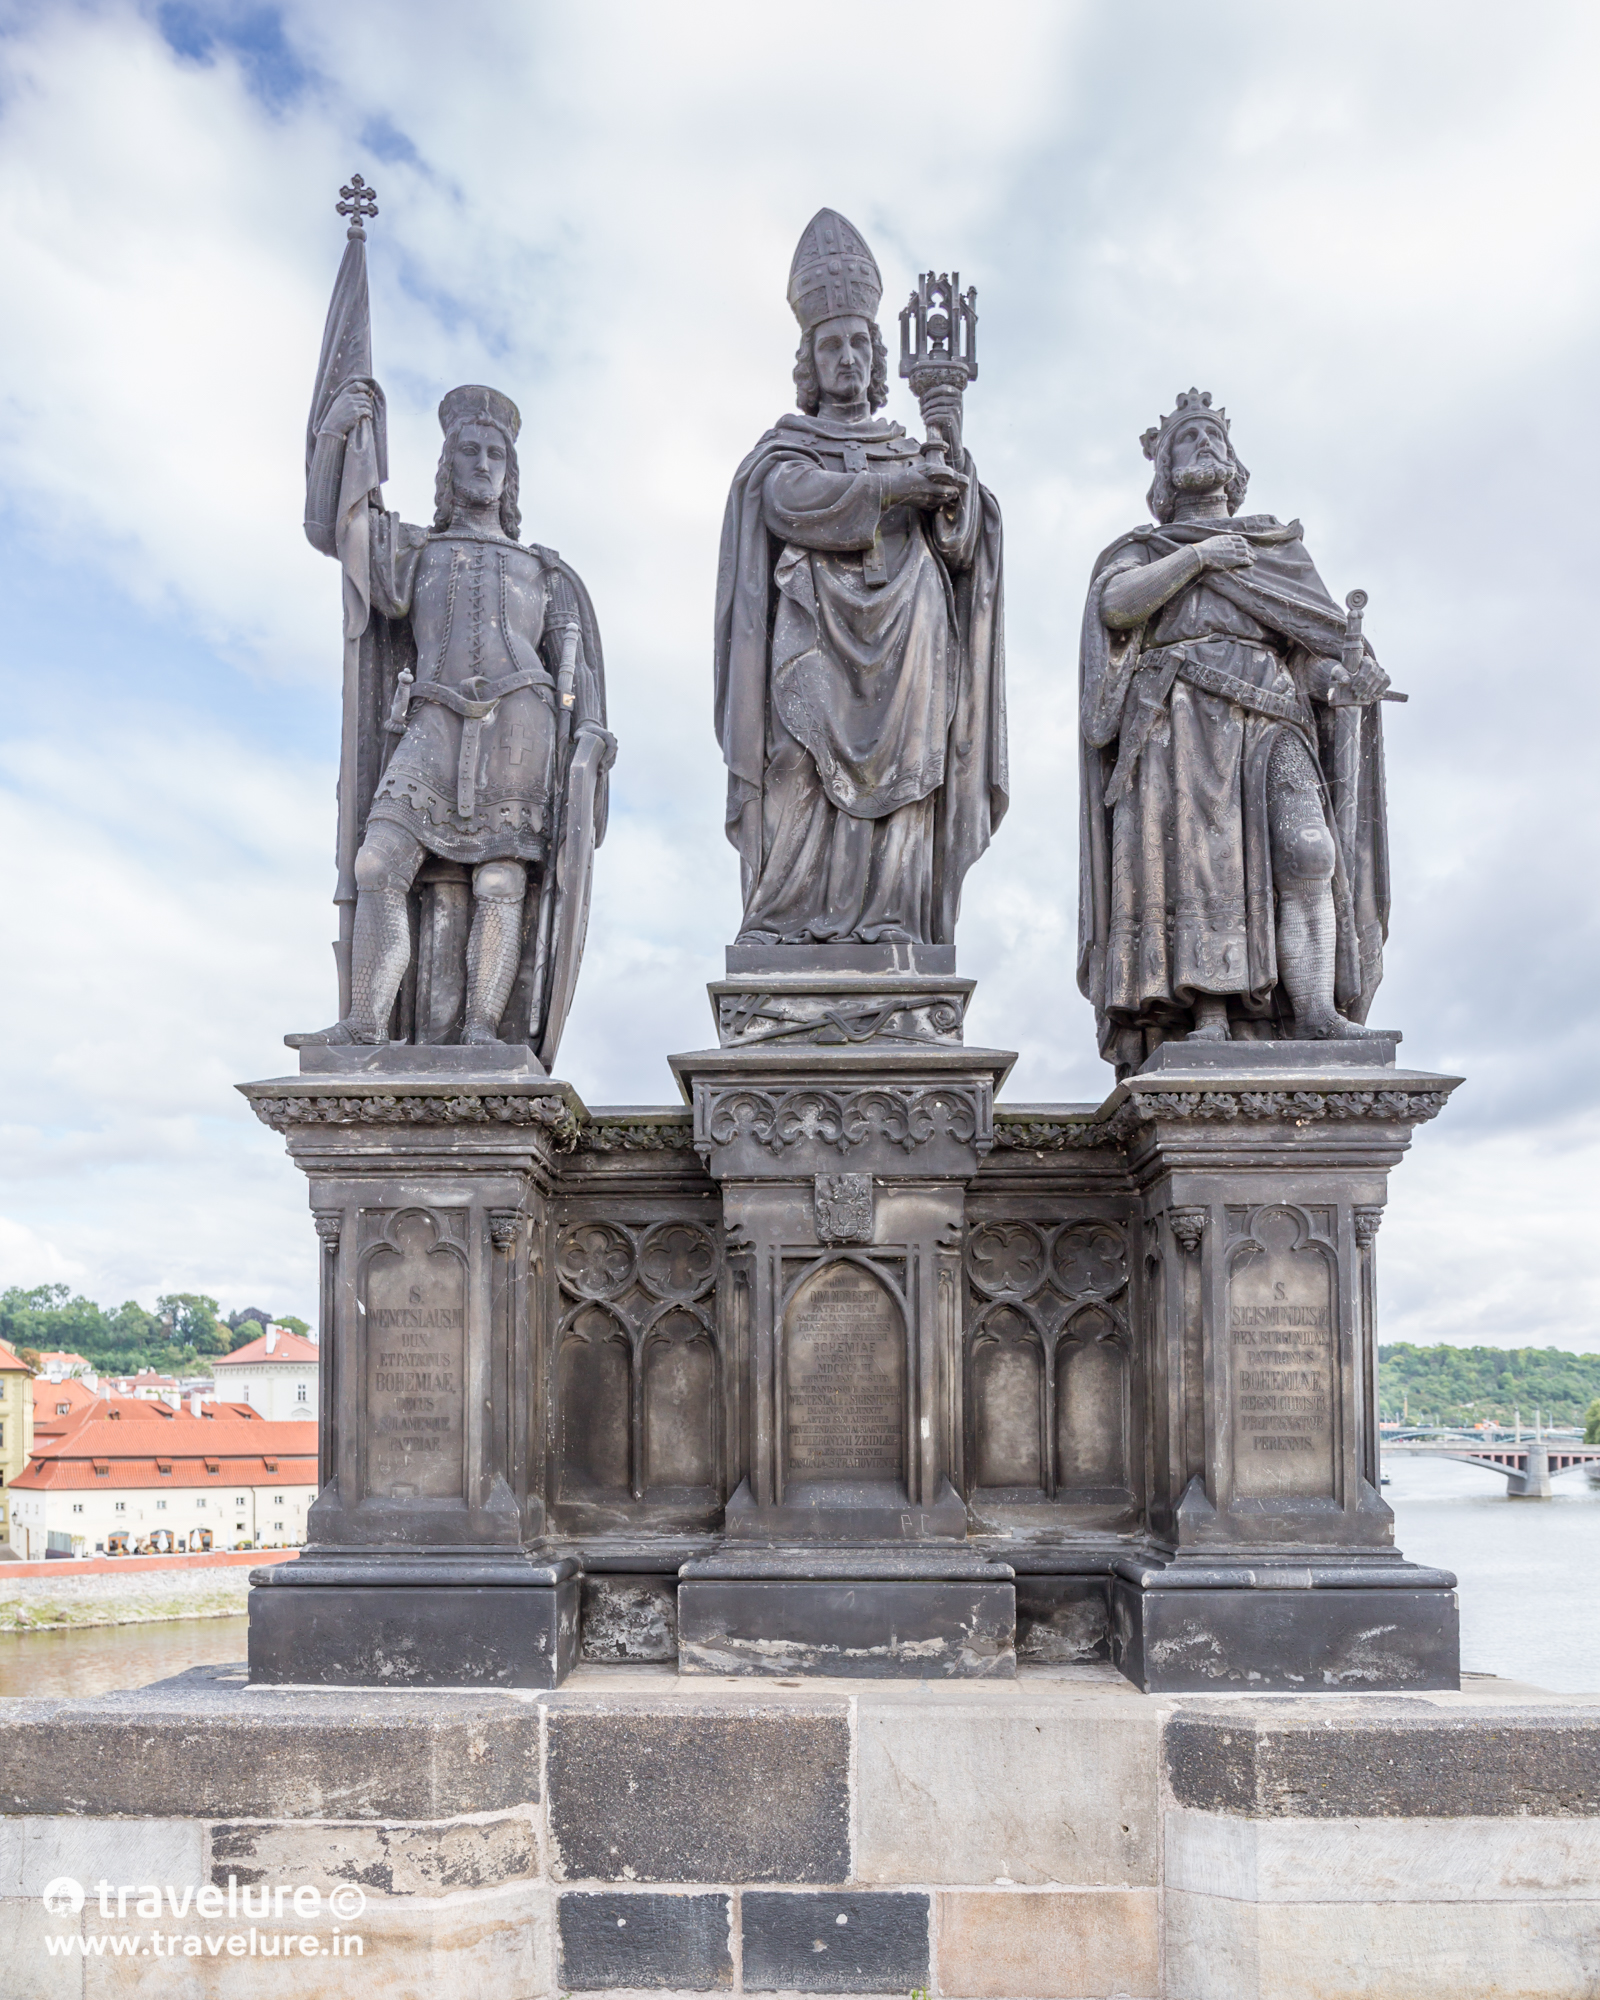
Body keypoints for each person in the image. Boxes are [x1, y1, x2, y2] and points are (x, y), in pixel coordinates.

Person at [714, 210, 1006, 949]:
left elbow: (960, 539)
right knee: (797, 757)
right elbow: (786, 501)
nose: (846, 357)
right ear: (810, 361)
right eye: (831, 344)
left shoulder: (907, 445)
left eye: (857, 344)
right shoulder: (788, 446)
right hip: (816, 621)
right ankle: (786, 914)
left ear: (877, 358)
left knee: (910, 771)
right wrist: (897, 487)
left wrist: (949, 451)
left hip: (909, 629)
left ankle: (892, 919)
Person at [1077, 390, 1391, 1073]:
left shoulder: (1275, 548)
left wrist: (1344, 684)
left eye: (1211, 436)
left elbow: (1312, 653)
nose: (1202, 447)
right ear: (1162, 474)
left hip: (1272, 715)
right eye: (1185, 440)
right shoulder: (1147, 550)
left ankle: (1313, 1007)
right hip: (1180, 721)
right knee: (1200, 872)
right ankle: (1207, 1014)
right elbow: (1117, 605)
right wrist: (1199, 558)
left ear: (1234, 462)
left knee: (1310, 851)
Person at [291, 383, 611, 1050]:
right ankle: (364, 1022)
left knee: (500, 879)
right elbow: (336, 527)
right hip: (433, 718)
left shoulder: (544, 571)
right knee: (378, 863)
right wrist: (336, 438)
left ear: (511, 473)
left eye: (497, 454)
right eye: (469, 451)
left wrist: (587, 748)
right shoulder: (413, 551)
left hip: (523, 724)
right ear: (447, 465)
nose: (484, 464)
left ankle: (480, 1032)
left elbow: (576, 674)